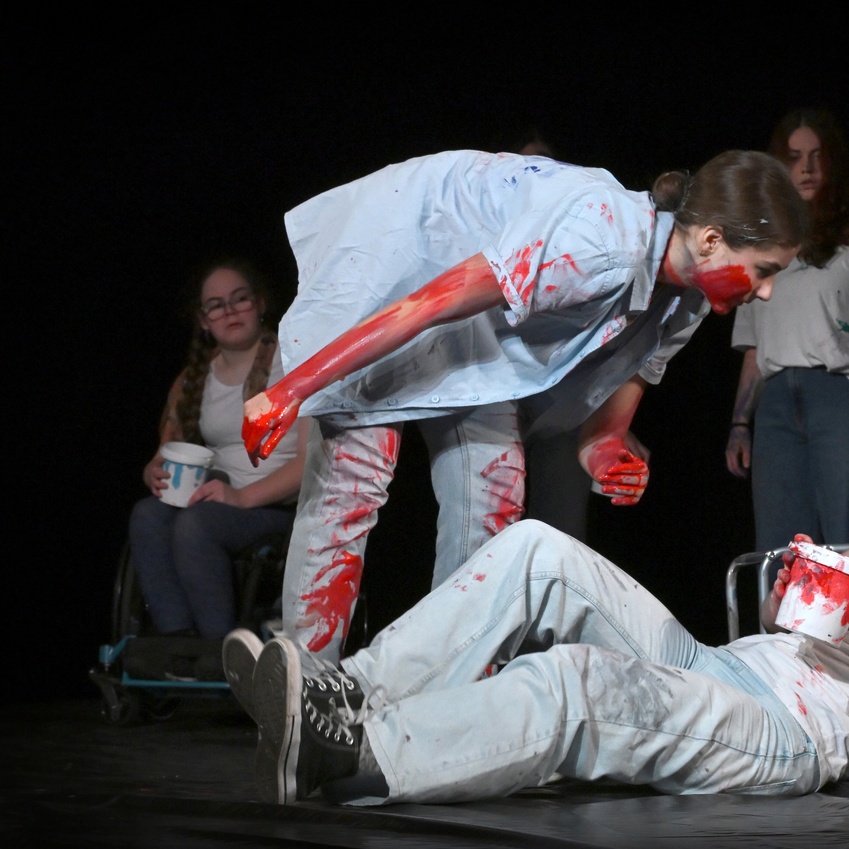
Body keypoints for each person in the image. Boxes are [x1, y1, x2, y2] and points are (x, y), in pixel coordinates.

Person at [227, 461, 849, 808]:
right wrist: (792, 584)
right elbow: (804, 603)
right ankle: (348, 694)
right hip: (727, 664)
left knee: (577, 680)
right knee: (538, 550)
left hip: (789, 734)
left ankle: (355, 757)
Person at [242, 149, 806, 662]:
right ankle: (305, 682)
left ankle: (435, 693)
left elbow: (606, 426)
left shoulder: (686, 303)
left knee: (494, 493)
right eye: (765, 271)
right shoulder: (600, 240)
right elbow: (431, 301)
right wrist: (291, 389)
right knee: (355, 478)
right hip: (399, 263)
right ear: (710, 240)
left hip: (477, 327)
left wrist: (608, 455)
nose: (767, 293)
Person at [726, 108, 849, 551]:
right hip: (776, 403)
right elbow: (754, 347)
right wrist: (739, 422)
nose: (807, 168)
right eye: (794, 158)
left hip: (843, 394)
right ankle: (786, 604)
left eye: (816, 156)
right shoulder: (765, 243)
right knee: (782, 543)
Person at [128, 261, 308, 676]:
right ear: (204, 320)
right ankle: (178, 642)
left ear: (259, 304)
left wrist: (241, 497)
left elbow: (308, 464)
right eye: (216, 305)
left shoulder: (295, 365)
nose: (229, 311)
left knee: (196, 524)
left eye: (239, 299)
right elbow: (165, 451)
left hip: (276, 506)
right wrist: (153, 471)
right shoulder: (195, 379)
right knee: (148, 515)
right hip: (219, 500)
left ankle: (220, 649)